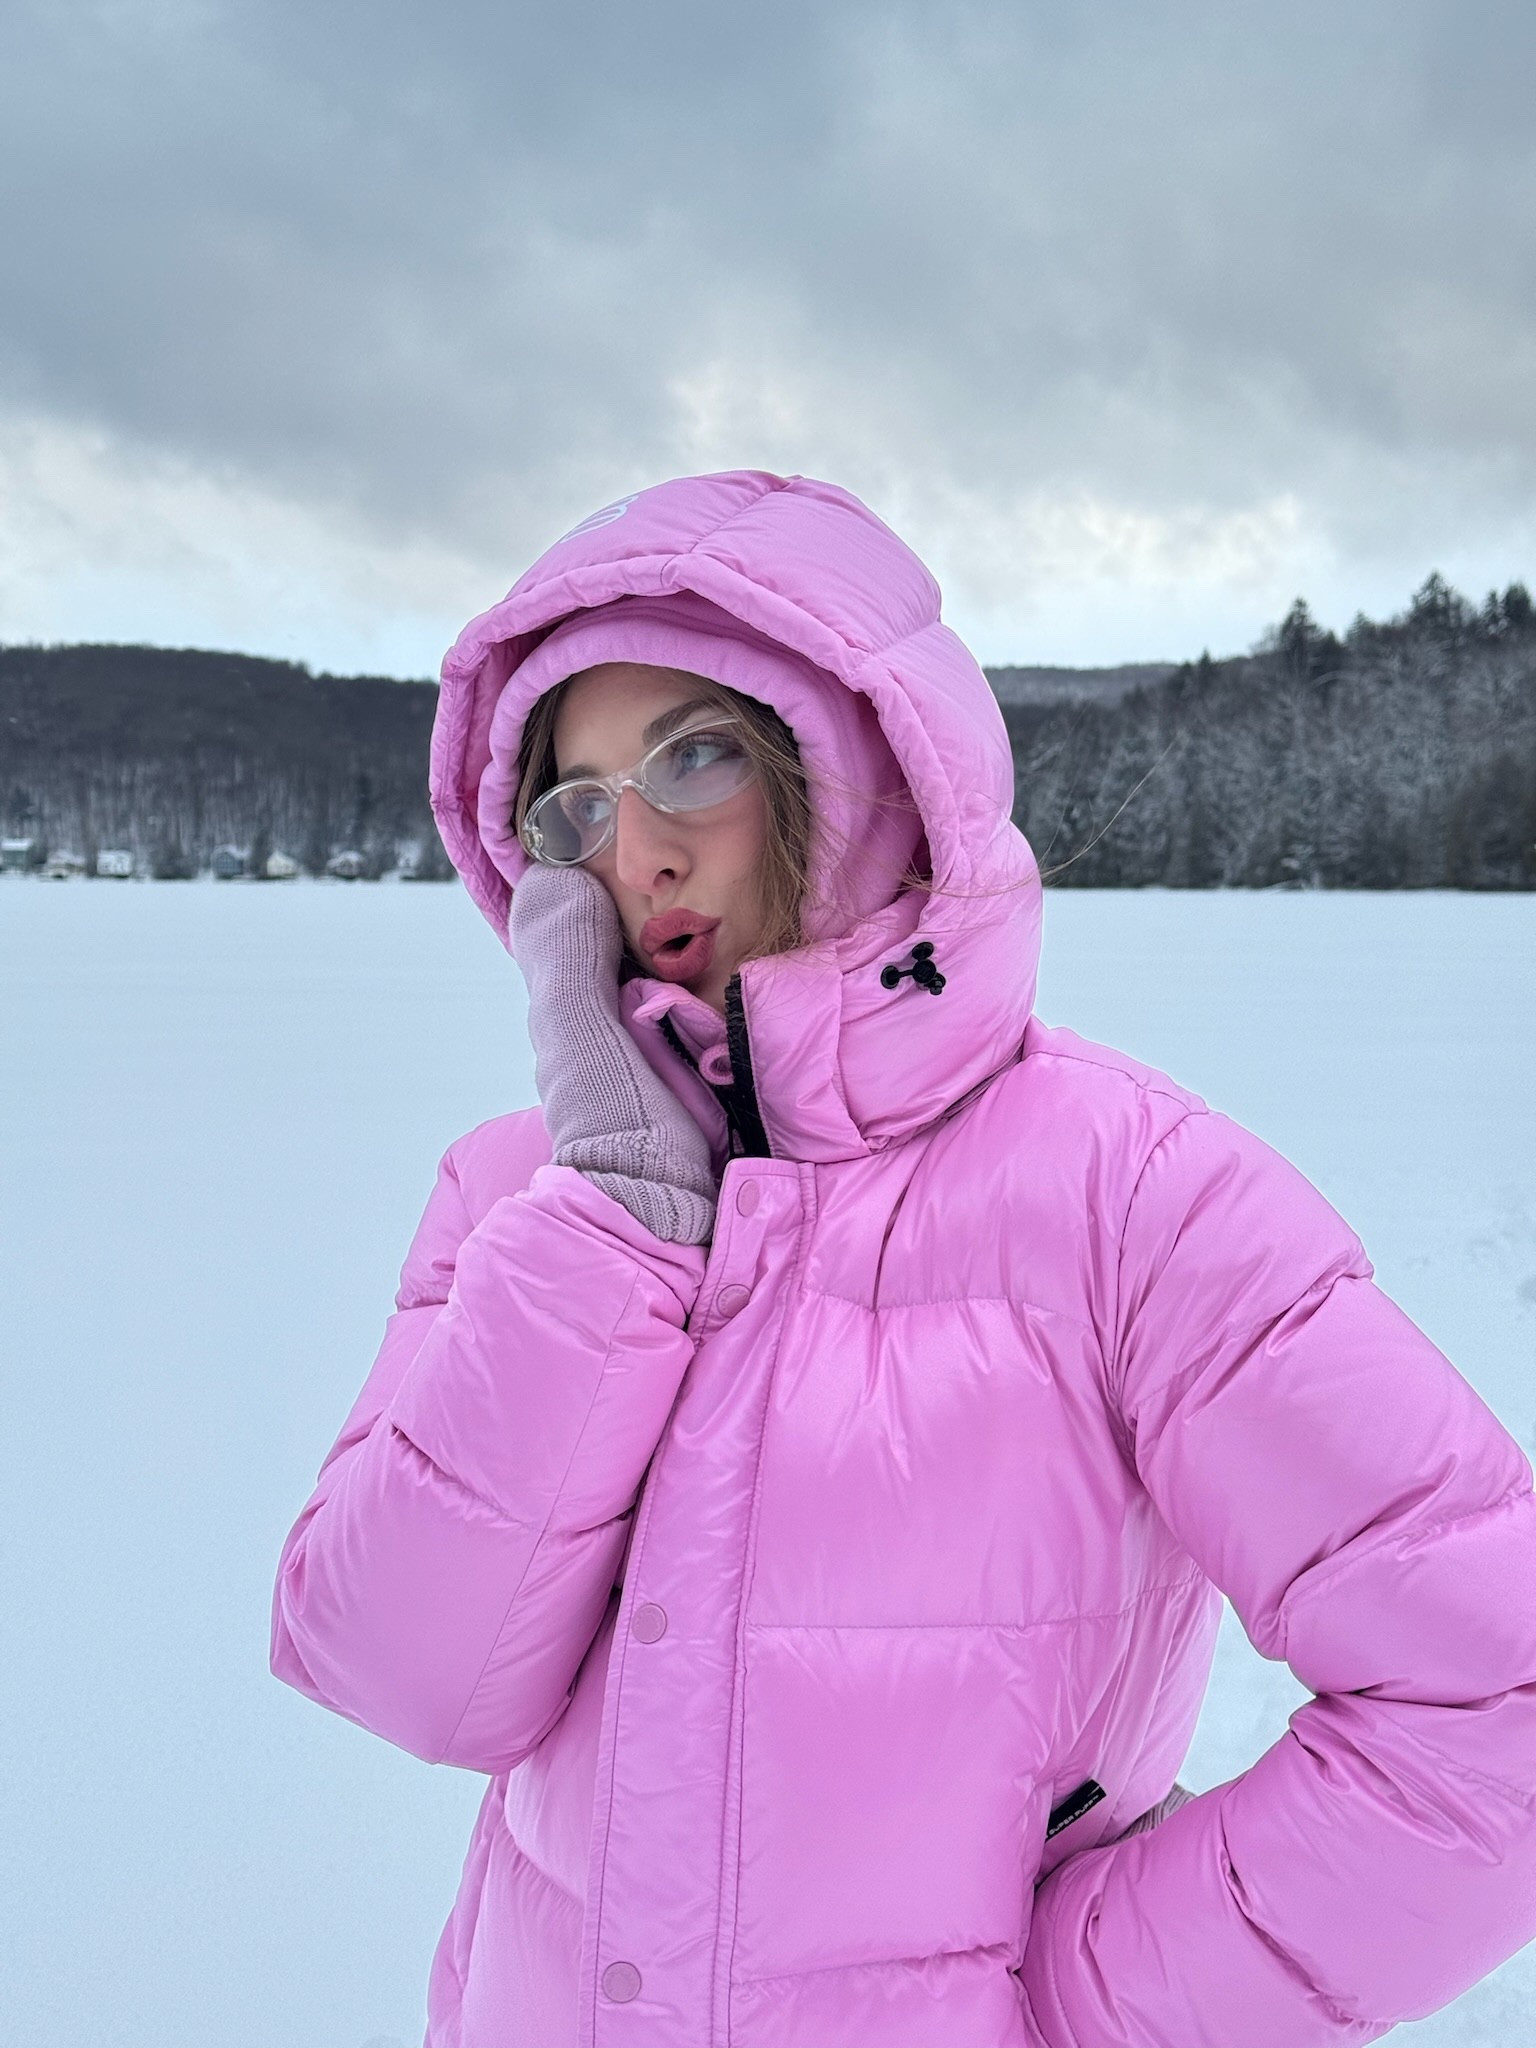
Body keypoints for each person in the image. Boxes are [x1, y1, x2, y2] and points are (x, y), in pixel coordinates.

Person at [269, 470, 1536, 2048]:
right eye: (573, 805)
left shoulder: (1130, 1196)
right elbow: (402, 1670)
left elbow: (1494, 1702)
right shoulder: (519, 1197)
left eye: (697, 753)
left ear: (857, 772)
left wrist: (1073, 2007)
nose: (637, 850)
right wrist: (612, 1224)